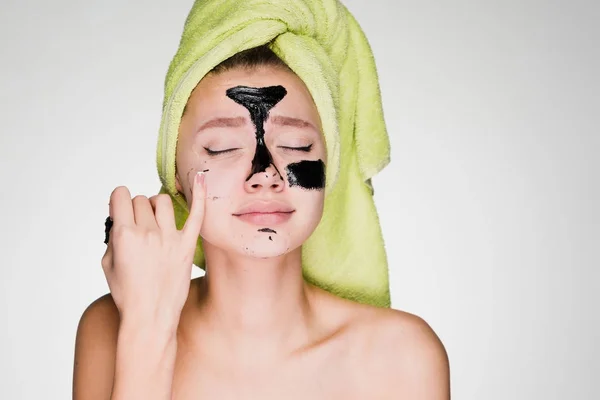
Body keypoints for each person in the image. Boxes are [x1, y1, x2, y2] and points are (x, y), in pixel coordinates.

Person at [73, 2, 450, 400]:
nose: (264, 174)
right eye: (220, 149)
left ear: (329, 168)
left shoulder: (401, 356)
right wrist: (149, 328)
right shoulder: (111, 327)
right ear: (175, 178)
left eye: (296, 144)